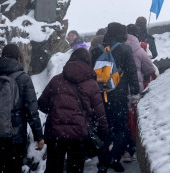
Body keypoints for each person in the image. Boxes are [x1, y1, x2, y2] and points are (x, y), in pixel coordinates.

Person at [38, 48, 109, 173]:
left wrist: (56, 112)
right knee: (75, 168)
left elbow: (42, 104)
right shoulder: (91, 84)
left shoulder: (56, 80)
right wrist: (103, 132)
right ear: (88, 62)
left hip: (55, 133)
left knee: (54, 168)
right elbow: (99, 113)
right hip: (79, 134)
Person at [0, 44, 44, 173]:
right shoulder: (23, 79)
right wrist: (39, 136)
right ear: (19, 57)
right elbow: (32, 111)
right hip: (14, 136)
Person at [97, 22, 139, 173]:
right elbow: (132, 72)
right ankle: (113, 158)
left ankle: (103, 161)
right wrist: (135, 91)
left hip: (101, 96)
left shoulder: (97, 50)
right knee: (121, 129)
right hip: (118, 96)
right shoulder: (125, 49)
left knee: (105, 129)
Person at [123, 24, 157, 163]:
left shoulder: (118, 48)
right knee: (135, 117)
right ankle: (135, 143)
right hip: (136, 88)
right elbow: (150, 69)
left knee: (123, 119)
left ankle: (126, 150)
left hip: (120, 90)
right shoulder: (140, 49)